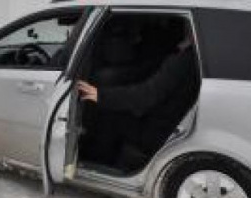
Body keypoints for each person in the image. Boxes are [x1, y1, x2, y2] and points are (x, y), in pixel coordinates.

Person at [77, 21, 200, 170]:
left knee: (109, 116)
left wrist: (100, 95)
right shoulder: (195, 59)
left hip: (159, 131)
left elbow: (145, 97)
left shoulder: (181, 62)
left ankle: (98, 163)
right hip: (173, 121)